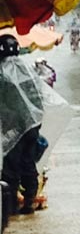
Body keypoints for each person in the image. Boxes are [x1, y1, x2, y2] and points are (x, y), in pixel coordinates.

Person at [0, 35, 43, 215]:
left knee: (11, 167)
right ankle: (29, 201)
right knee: (28, 163)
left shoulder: (2, 71)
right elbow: (38, 95)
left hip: (13, 127)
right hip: (32, 125)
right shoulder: (26, 68)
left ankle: (9, 206)